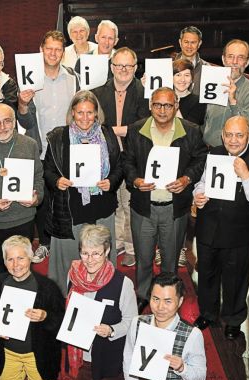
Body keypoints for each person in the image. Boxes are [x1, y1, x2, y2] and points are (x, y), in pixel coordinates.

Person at [193, 116, 249, 339]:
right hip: (208, 228)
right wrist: (197, 195)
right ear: (222, 135)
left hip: (239, 233)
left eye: (239, 135)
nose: (233, 140)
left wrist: (246, 176)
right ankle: (208, 313)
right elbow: (201, 182)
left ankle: (233, 319)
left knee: (236, 278)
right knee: (207, 274)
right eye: (229, 134)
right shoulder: (213, 154)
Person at [124, 87, 206, 304]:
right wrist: (135, 180)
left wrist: (186, 179)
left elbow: (200, 160)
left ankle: (168, 297)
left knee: (170, 260)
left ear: (176, 106)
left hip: (174, 208)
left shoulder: (191, 131)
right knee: (143, 258)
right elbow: (127, 161)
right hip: (143, 207)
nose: (162, 110)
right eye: (158, 105)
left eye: (168, 105)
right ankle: (143, 295)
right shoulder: (136, 129)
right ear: (151, 105)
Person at [43, 90, 122, 296]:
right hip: (71, 209)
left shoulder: (107, 134)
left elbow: (119, 166)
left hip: (101, 206)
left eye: (90, 113)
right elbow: (48, 170)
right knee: (70, 260)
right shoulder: (59, 136)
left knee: (100, 256)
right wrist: (57, 181)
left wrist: (111, 182)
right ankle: (66, 298)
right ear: (72, 113)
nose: (85, 118)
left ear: (97, 113)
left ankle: (103, 296)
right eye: (80, 113)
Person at [17, 30, 79, 264]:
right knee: (41, 199)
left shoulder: (73, 77)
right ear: (41, 49)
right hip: (39, 149)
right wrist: (22, 103)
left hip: (66, 151)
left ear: (63, 52)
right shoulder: (29, 78)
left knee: (65, 197)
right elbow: (25, 121)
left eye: (58, 49)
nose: (53, 53)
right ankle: (44, 243)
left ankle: (67, 242)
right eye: (49, 48)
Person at [0, 235, 64, 380]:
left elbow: (61, 320)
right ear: (4, 262)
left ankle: (37, 375)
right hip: (8, 351)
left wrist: (45, 316)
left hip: (36, 352)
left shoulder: (48, 287)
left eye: (20, 258)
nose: (15, 264)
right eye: (10, 259)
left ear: (31, 258)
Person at [67, 224, 137, 380]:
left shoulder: (123, 284)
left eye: (96, 253)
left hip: (110, 352)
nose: (89, 260)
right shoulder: (73, 275)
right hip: (83, 352)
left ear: (107, 251)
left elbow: (132, 321)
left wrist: (112, 330)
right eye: (84, 253)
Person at [92, 47, 150, 268]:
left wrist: (114, 130)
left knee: (129, 204)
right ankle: (116, 243)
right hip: (106, 157)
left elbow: (143, 126)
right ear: (111, 67)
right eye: (119, 65)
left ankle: (132, 247)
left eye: (128, 66)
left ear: (135, 68)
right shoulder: (98, 93)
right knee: (112, 203)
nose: (123, 70)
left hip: (133, 157)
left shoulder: (145, 93)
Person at [0, 103, 44, 276]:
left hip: (23, 218)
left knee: (23, 271)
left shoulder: (30, 145)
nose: (2, 127)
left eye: (7, 121)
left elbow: (38, 178)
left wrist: (36, 198)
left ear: (14, 122)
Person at [202, 39, 249, 148]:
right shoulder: (210, 82)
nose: (234, 61)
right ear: (223, 59)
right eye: (230, 56)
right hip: (207, 148)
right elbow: (203, 118)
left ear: (247, 62)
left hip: (235, 152)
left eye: (240, 57)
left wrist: (233, 101)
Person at [173, 26, 208, 96]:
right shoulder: (168, 67)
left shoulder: (208, 69)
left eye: (193, 42)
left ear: (199, 43)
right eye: (186, 42)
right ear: (180, 42)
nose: (189, 46)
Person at [172, 58, 206, 126]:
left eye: (187, 75)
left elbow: (190, 130)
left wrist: (175, 106)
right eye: (178, 75)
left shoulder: (199, 102)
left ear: (191, 79)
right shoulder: (163, 99)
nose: (182, 79)